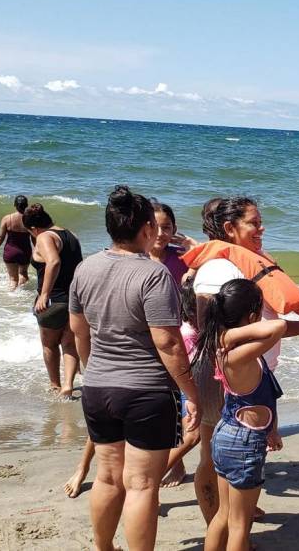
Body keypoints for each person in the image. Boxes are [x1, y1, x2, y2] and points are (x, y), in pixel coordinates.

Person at [69, 185, 200, 551]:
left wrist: (90, 371)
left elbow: (80, 332)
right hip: (145, 391)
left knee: (108, 477)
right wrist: (191, 394)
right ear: (146, 228)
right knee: (142, 484)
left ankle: (104, 547)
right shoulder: (154, 275)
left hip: (97, 387)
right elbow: (169, 343)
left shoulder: (85, 268)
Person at [190, 196, 299, 525]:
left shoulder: (249, 261)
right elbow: (214, 333)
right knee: (213, 455)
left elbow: (255, 327)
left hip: (250, 376)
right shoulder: (219, 268)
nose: (261, 228)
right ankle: (221, 527)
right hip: (225, 378)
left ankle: (234, 520)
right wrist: (293, 327)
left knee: (242, 452)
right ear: (229, 228)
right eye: (253, 222)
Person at [196, 280, 291, 551]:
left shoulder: (224, 348)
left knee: (223, 516)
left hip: (227, 432)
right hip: (243, 442)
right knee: (239, 523)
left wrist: (272, 430)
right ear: (251, 317)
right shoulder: (237, 353)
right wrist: (228, 334)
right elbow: (279, 326)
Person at [22, 203, 83, 397]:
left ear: (33, 228)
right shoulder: (71, 234)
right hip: (75, 299)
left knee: (49, 344)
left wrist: (44, 294)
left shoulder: (44, 236)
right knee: (69, 344)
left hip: (54, 301)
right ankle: (68, 385)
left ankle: (55, 385)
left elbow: (54, 262)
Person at [161, 276, 202, 487]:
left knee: (193, 436)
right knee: (193, 435)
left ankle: (173, 469)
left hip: (189, 388)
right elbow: (179, 369)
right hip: (186, 389)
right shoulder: (187, 334)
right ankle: (152, 478)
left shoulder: (192, 329)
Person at [0, 194, 32, 290]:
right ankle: (22, 295)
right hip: (25, 252)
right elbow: (35, 238)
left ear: (14, 205)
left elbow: (0, 237)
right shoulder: (30, 219)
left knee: (13, 279)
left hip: (10, 252)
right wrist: (38, 251)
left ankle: (12, 297)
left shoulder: (7, 219)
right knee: (23, 274)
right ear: (26, 205)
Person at [150, 200, 196, 286]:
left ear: (174, 229)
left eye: (166, 227)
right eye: (154, 227)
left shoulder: (183, 256)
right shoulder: (136, 259)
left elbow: (186, 287)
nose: (160, 234)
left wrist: (196, 256)